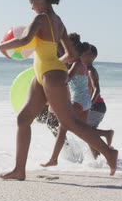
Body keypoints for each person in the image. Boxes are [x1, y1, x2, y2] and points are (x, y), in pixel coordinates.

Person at [0, 0, 118, 180]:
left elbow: (25, 40)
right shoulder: (59, 22)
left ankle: (108, 152)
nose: (31, 4)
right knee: (24, 118)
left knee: (69, 122)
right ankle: (19, 170)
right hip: (45, 73)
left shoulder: (41, 19)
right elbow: (71, 54)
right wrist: (52, 61)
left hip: (50, 75)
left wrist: (3, 47)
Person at [40, 33, 94, 167]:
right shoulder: (82, 64)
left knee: (62, 129)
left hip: (78, 101)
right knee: (84, 132)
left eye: (68, 51)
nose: (66, 54)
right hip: (84, 101)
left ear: (74, 51)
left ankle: (53, 159)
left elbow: (65, 81)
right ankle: (100, 153)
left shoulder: (76, 64)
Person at [83, 43, 114, 159]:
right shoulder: (85, 69)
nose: (80, 55)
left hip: (96, 106)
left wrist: (90, 104)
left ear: (90, 56)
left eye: (84, 54)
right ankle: (97, 159)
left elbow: (97, 88)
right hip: (96, 106)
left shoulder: (91, 70)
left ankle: (107, 133)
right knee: (89, 135)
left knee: (85, 132)